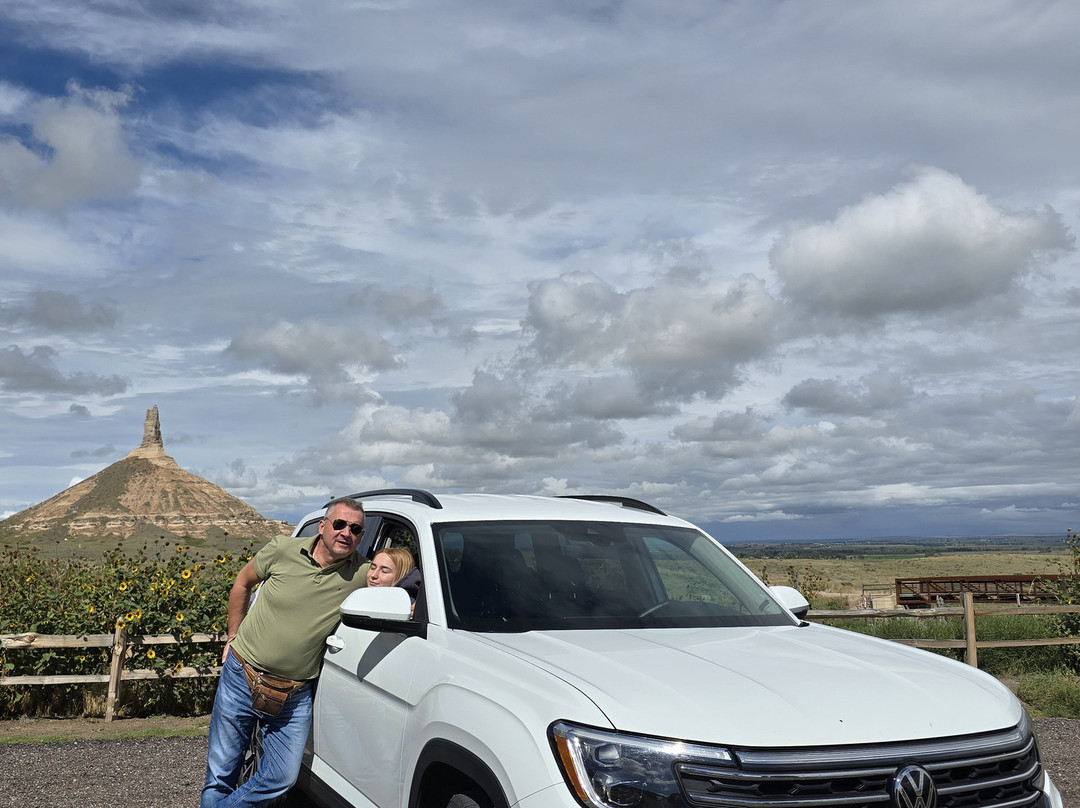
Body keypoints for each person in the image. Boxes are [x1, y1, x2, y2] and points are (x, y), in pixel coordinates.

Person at [200, 497, 369, 808]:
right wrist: (232, 635)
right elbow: (243, 582)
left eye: (356, 528)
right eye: (340, 524)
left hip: (294, 693)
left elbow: (399, 580)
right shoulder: (282, 549)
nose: (347, 532)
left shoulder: (361, 574)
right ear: (323, 526)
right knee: (222, 774)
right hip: (241, 674)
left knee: (281, 777)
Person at [367, 546, 421, 612]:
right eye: (372, 568)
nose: (373, 575)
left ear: (401, 576)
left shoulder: (406, 608)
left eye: (384, 571)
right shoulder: (361, 597)